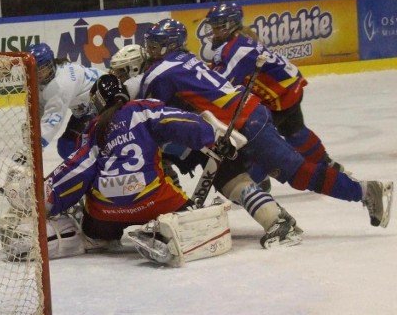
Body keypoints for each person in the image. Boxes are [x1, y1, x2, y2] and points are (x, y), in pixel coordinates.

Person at [138, 18, 393, 231]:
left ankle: (365, 191)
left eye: (153, 45)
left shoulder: (159, 73)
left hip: (245, 122)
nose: (149, 50)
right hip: (248, 116)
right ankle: (270, 207)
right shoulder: (188, 60)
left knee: (298, 173)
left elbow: (153, 116)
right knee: (232, 174)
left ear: (168, 45)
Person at [0, 74, 237, 263]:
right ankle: (166, 229)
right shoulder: (143, 109)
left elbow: (76, 169)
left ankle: (92, 238)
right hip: (154, 202)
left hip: (106, 215)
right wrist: (213, 137)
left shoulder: (93, 129)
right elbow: (179, 122)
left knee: (91, 223)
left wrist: (45, 197)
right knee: (188, 212)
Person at [110, 43, 305, 249]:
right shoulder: (163, 72)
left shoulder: (143, 82)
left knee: (230, 180)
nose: (119, 77)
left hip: (203, 137)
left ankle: (277, 220)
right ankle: (275, 217)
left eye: (122, 71)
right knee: (229, 180)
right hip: (206, 135)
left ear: (133, 68)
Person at [204, 1, 346, 189]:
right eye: (213, 27)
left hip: (280, 96)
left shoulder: (236, 50)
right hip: (288, 87)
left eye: (218, 27)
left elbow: (219, 82)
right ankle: (328, 165)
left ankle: (259, 181)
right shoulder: (236, 42)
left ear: (230, 26)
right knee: (295, 131)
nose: (214, 32)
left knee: (249, 140)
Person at [15, 43, 107, 162]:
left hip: (106, 104)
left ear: (51, 64)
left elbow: (53, 119)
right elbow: (42, 106)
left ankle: (104, 167)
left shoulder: (61, 84)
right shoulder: (46, 79)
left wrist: (34, 147)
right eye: (34, 70)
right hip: (86, 108)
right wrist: (33, 125)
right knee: (67, 146)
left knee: (105, 143)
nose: (39, 74)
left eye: (43, 69)